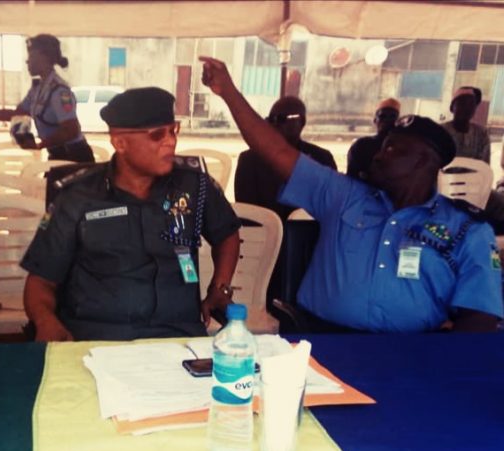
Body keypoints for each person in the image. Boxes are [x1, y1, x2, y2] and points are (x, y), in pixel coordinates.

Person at [200, 56, 503, 333]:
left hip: (414, 351)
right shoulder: (344, 196)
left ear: (423, 161)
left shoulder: (467, 229)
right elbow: (276, 150)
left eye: (392, 149)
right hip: (323, 340)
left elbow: (481, 318)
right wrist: (228, 92)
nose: (378, 156)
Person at [20, 87, 241, 341]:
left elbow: (227, 234)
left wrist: (220, 289)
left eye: (173, 130)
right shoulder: (76, 197)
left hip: (178, 337)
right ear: (120, 143)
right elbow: (41, 281)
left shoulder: (193, 186)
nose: (170, 141)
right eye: (157, 135)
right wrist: (45, 321)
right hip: (96, 339)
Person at [0, 34, 95, 163]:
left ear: (45, 57)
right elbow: (16, 115)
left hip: (75, 157)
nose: (27, 61)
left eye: (31, 56)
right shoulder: (37, 89)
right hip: (58, 155)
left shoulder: (59, 91)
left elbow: (71, 130)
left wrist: (40, 145)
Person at [233, 96, 336, 221]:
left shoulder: (321, 159)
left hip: (310, 231)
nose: (275, 124)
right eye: (271, 119)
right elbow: (246, 213)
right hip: (265, 232)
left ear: (302, 122)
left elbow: (331, 208)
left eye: (282, 119)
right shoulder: (249, 161)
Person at [346, 98, 401, 180]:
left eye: (392, 117)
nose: (387, 120)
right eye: (382, 116)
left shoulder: (405, 148)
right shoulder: (361, 146)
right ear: (375, 120)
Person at [442, 86, 490, 163]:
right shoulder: (440, 131)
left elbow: (484, 165)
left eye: (471, 104)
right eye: (462, 103)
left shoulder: (481, 134)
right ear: (452, 107)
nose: (467, 108)